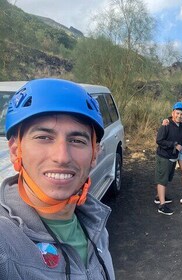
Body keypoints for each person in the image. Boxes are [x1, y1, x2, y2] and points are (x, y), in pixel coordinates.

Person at [0, 78, 115, 279]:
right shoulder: (5, 241)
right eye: (44, 137)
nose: (62, 157)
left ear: (94, 154)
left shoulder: (96, 224)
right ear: (15, 149)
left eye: (77, 140)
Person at [155, 102, 182, 215]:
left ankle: (159, 196)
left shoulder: (181, 125)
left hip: (173, 157)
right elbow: (159, 140)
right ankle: (162, 205)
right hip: (164, 156)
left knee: (166, 178)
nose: (179, 116)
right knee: (162, 180)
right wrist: (174, 144)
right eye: (177, 113)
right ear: (173, 113)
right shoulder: (166, 125)